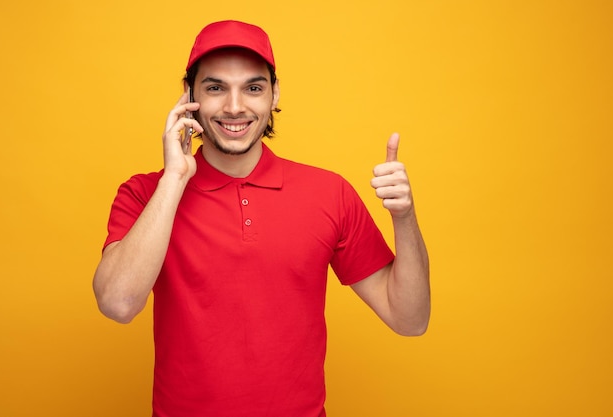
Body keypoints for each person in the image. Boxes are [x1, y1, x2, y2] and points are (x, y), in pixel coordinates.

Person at [93, 20, 430, 417]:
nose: (235, 107)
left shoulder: (329, 193)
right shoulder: (146, 194)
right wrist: (174, 178)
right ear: (188, 96)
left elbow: (410, 319)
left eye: (253, 88)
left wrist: (404, 218)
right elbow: (117, 303)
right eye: (216, 87)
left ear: (274, 95)